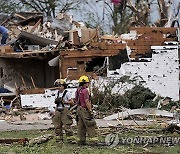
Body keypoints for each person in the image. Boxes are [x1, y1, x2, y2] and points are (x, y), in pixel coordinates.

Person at [75, 75, 98, 146]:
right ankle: (93, 142)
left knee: (81, 126)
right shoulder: (85, 91)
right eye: (87, 83)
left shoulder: (78, 90)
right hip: (84, 109)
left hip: (79, 109)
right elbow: (87, 101)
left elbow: (76, 100)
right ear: (85, 83)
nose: (88, 84)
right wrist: (90, 111)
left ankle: (80, 141)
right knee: (90, 125)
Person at [52, 79, 75, 143]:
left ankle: (70, 139)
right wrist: (55, 111)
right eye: (57, 86)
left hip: (65, 110)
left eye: (60, 86)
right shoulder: (57, 93)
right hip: (58, 110)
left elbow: (72, 102)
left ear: (63, 86)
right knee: (57, 125)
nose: (58, 87)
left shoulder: (67, 93)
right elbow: (56, 103)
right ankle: (59, 139)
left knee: (67, 125)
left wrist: (65, 102)